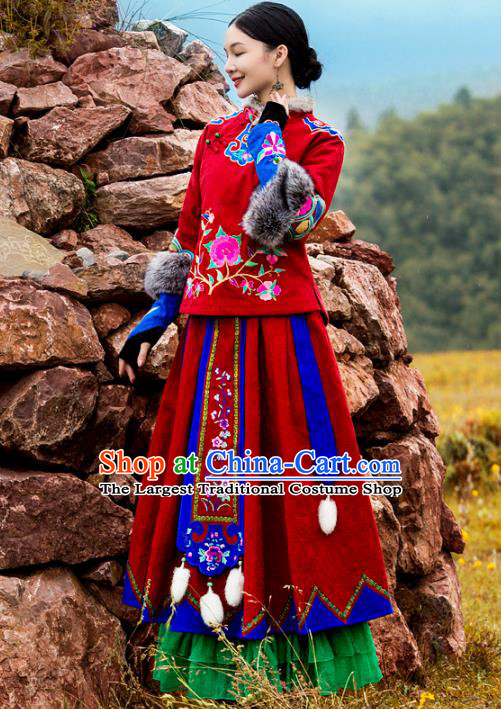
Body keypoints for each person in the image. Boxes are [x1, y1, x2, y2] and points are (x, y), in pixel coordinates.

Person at [119, 1, 394, 701]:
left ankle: (301, 658)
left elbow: (283, 223)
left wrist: (272, 133)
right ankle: (211, 657)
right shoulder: (213, 137)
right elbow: (192, 234)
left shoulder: (318, 140)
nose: (229, 62)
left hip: (280, 335)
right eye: (227, 51)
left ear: (280, 55)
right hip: (210, 334)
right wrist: (157, 312)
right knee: (214, 491)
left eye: (240, 50)